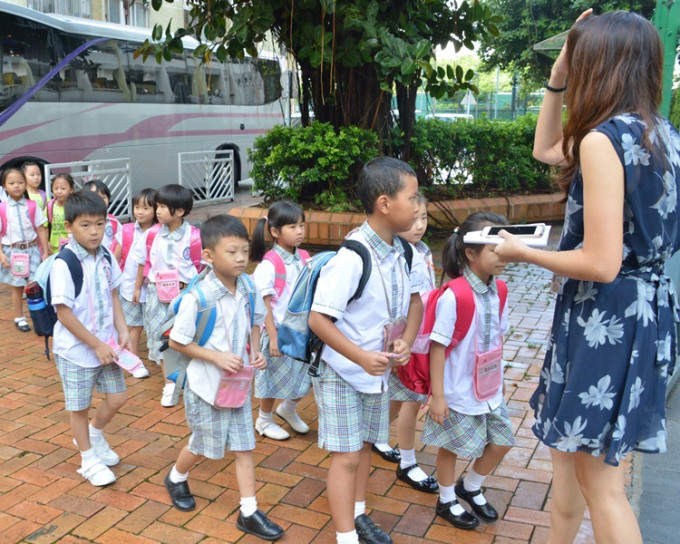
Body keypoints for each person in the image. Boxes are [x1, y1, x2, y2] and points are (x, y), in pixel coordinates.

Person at [494, 10, 680, 544]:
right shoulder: (659, 134)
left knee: (601, 483)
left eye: (577, 62)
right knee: (569, 466)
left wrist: (522, 252)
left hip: (606, 317)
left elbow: (601, 262)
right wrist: (555, 78)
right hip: (637, 314)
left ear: (598, 65)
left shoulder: (603, 140)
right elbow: (545, 149)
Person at [309, 157, 423, 544]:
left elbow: (413, 302)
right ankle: (345, 536)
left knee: (363, 449)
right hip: (343, 372)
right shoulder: (352, 257)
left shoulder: (401, 252)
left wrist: (406, 336)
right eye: (412, 196)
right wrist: (360, 356)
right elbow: (318, 320)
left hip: (375, 373)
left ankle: (358, 516)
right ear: (385, 204)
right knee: (346, 457)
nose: (418, 204)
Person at [165, 214, 284, 541]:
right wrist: (216, 357)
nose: (241, 258)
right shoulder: (198, 298)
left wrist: (254, 350)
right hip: (206, 388)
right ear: (208, 255)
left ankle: (249, 511)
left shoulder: (247, 286)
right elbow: (177, 340)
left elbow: (256, 320)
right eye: (231, 252)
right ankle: (176, 477)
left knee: (245, 446)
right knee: (203, 444)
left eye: (244, 251)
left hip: (238, 385)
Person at [423, 212, 514, 530]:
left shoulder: (500, 290)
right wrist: (438, 395)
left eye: (505, 246)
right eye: (495, 248)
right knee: (452, 446)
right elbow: (437, 347)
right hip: (457, 388)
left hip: (488, 388)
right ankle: (446, 499)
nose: (504, 254)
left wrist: (499, 379)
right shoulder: (455, 295)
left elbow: (498, 336)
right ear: (470, 253)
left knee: (502, 440)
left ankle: (471, 486)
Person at [50, 190, 130, 486]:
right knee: (79, 408)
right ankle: (87, 459)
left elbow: (113, 294)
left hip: (106, 345)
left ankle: (95, 436)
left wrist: (121, 329)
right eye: (85, 225)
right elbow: (64, 314)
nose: (94, 231)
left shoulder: (107, 254)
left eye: (99, 224)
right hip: (76, 350)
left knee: (118, 397)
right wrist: (95, 344)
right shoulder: (65, 263)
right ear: (69, 226)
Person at [373, 192, 439, 494]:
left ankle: (373, 435)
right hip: (402, 342)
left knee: (403, 397)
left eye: (424, 218)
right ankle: (408, 463)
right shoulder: (395, 254)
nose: (419, 225)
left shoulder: (422, 251)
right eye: (413, 219)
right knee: (411, 398)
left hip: (418, 339)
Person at [133, 184, 201, 407]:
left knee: (185, 336)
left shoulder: (195, 237)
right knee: (160, 338)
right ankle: (170, 385)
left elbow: (202, 270)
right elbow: (143, 263)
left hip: (185, 295)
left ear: (179, 211)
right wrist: (137, 287)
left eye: (162, 207)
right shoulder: (152, 234)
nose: (158, 211)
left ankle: (189, 380)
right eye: (157, 206)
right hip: (155, 293)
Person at [251, 200, 311, 440]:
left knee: (304, 374)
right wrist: (273, 338)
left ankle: (288, 408)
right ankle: (264, 420)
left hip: (301, 330)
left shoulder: (305, 257)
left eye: (302, 226)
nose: (299, 231)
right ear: (275, 232)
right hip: (277, 331)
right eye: (293, 227)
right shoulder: (269, 265)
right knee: (273, 377)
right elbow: (264, 307)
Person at [0, 167, 49, 332]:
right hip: (13, 252)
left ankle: (40, 316)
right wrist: (1, 254)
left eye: (20, 182)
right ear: (4, 186)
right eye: (11, 183)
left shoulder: (32, 205)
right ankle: (19, 317)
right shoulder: (2, 208)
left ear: (25, 184)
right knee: (18, 286)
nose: (16, 186)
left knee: (36, 285)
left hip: (32, 250)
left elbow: (41, 228)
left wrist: (45, 252)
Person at [117, 188, 157, 379]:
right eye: (137, 207)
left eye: (146, 208)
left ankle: (157, 356)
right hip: (128, 286)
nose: (140, 212)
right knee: (134, 326)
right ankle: (133, 361)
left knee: (150, 325)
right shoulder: (126, 230)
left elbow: (146, 263)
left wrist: (138, 287)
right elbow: (116, 255)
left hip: (151, 288)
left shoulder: (157, 232)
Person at [83, 180, 122, 261]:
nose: (100, 201)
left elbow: (121, 240)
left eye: (103, 197)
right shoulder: (82, 223)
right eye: (95, 197)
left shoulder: (113, 221)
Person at [47, 173, 75, 253]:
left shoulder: (74, 206)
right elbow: (45, 227)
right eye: (56, 188)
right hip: (53, 249)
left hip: (71, 247)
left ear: (71, 189)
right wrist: (46, 242)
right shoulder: (50, 206)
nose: (59, 192)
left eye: (63, 188)